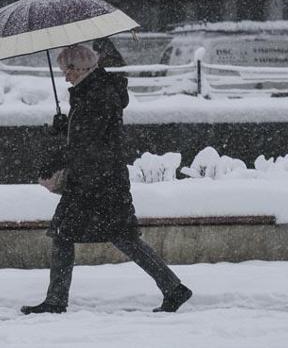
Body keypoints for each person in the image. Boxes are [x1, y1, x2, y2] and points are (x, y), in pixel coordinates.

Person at [21, 44, 192, 315]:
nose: (66, 76)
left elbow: (89, 143)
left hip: (97, 182)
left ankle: (56, 301)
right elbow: (89, 136)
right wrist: (65, 128)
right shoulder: (93, 92)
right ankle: (172, 288)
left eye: (68, 71)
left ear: (83, 68)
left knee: (79, 235)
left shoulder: (97, 95)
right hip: (99, 179)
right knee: (110, 237)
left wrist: (58, 153)